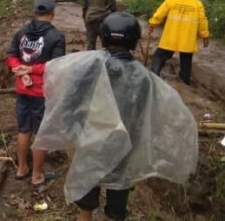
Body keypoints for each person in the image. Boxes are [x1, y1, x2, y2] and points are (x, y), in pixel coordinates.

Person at [32, 13, 198, 220]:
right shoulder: (144, 78)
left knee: (86, 189)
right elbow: (145, 116)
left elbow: (69, 103)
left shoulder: (88, 66)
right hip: (124, 144)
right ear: (134, 40)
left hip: (90, 140)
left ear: (103, 36)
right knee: (118, 194)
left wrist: (71, 131)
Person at [5, 0, 65, 187]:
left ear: (35, 12)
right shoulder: (56, 37)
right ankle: (37, 175)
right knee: (41, 134)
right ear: (52, 13)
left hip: (23, 89)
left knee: (23, 130)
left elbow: (11, 56)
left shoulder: (21, 32)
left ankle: (22, 168)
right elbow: (55, 66)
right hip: (42, 92)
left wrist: (21, 71)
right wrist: (29, 70)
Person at [148, 0, 209, 85]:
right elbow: (202, 21)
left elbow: (159, 14)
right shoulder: (197, 4)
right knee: (186, 61)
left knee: (159, 56)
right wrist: (205, 36)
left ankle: (154, 76)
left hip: (170, 37)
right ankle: (184, 82)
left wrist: (152, 24)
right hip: (187, 40)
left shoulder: (171, 0)